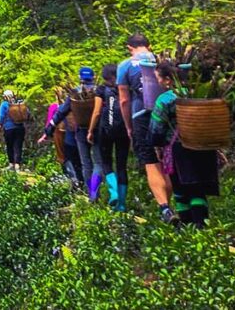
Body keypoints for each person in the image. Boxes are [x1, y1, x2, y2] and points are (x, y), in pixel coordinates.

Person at [150, 61, 220, 228]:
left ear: (168, 80)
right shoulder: (199, 95)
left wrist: (156, 145)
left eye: (158, 78)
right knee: (198, 189)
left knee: (181, 190)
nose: (158, 82)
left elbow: (156, 128)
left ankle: (186, 227)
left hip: (178, 150)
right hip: (202, 147)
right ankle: (201, 227)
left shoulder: (165, 99)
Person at [118, 33, 176, 223]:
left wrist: (128, 126)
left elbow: (124, 100)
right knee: (167, 161)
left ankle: (165, 208)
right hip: (168, 113)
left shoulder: (125, 65)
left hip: (140, 116)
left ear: (129, 47)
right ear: (149, 45)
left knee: (150, 162)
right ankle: (178, 205)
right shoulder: (162, 61)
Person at [42, 67, 103, 201]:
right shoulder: (99, 91)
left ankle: (91, 195)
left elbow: (62, 111)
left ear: (80, 78)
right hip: (97, 131)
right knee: (98, 163)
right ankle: (95, 191)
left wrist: (49, 129)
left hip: (80, 131)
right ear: (93, 77)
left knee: (86, 163)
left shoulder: (75, 93)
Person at [89, 63, 130, 211]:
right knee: (121, 166)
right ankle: (122, 204)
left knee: (106, 163)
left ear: (106, 77)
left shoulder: (101, 90)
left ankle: (114, 194)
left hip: (105, 131)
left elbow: (97, 112)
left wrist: (90, 130)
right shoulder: (126, 88)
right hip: (124, 131)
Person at [40, 89, 83, 188]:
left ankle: (74, 180)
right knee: (83, 160)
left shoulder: (54, 107)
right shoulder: (78, 103)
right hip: (80, 134)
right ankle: (88, 187)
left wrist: (46, 134)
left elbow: (50, 121)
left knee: (65, 157)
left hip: (60, 134)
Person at [0, 90, 28, 170]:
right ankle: (17, 165)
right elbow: (27, 113)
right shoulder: (19, 103)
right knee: (18, 146)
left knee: (9, 146)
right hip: (20, 128)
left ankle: (11, 164)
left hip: (8, 128)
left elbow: (1, 116)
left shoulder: (4, 104)